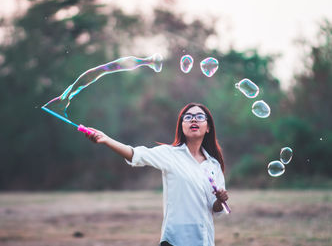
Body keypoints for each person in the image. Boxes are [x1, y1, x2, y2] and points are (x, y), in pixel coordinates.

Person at [85, 102, 229, 246]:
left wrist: (220, 200)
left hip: (204, 240)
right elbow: (136, 154)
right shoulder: (169, 154)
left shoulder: (213, 165)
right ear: (181, 126)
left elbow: (215, 208)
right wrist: (106, 140)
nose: (193, 120)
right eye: (188, 117)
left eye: (199, 116)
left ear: (208, 127)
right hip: (175, 240)